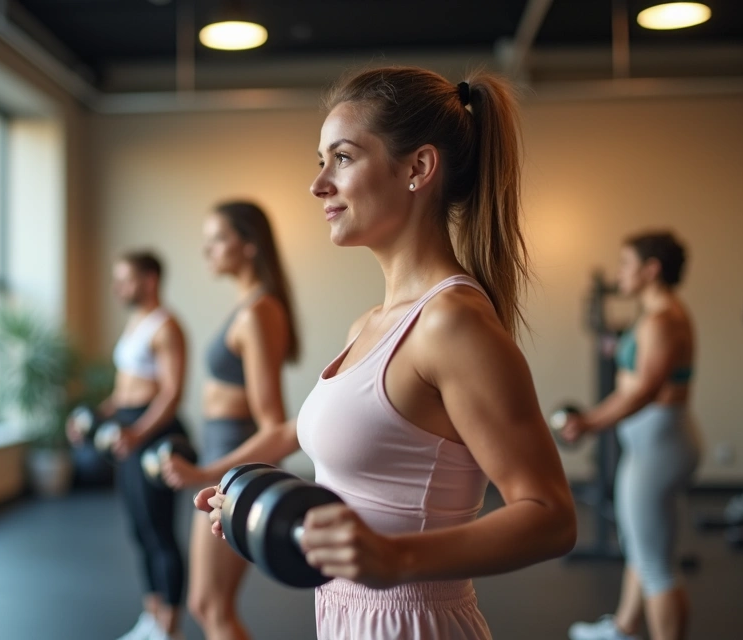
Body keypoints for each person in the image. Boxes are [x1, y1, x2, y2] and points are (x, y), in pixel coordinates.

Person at [194, 67, 578, 639]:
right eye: (320, 161)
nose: (319, 184)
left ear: (419, 168)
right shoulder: (367, 325)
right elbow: (364, 495)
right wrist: (258, 515)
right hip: (347, 619)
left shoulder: (451, 324)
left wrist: (393, 558)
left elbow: (551, 519)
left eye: (342, 158)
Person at [161, 201, 300, 640]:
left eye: (218, 238)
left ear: (250, 245)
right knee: (206, 603)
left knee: (212, 606)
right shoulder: (249, 307)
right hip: (221, 460)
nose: (208, 249)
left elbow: (275, 425)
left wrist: (207, 473)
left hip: (231, 468)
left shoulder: (259, 312)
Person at [562, 232, 701, 640]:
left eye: (626, 263)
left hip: (660, 448)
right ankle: (624, 626)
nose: (620, 272)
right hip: (653, 444)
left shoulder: (663, 320)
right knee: (643, 547)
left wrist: (589, 423)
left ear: (651, 269)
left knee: (656, 565)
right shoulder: (654, 314)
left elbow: (644, 391)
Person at [67, 251, 189, 640]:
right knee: (139, 530)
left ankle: (170, 628)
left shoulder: (166, 326)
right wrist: (92, 417)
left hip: (154, 435)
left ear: (149, 280)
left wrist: (137, 433)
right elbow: (124, 393)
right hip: (127, 432)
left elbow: (171, 393)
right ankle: (152, 617)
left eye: (125, 279)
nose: (117, 287)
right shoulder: (136, 323)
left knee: (159, 532)